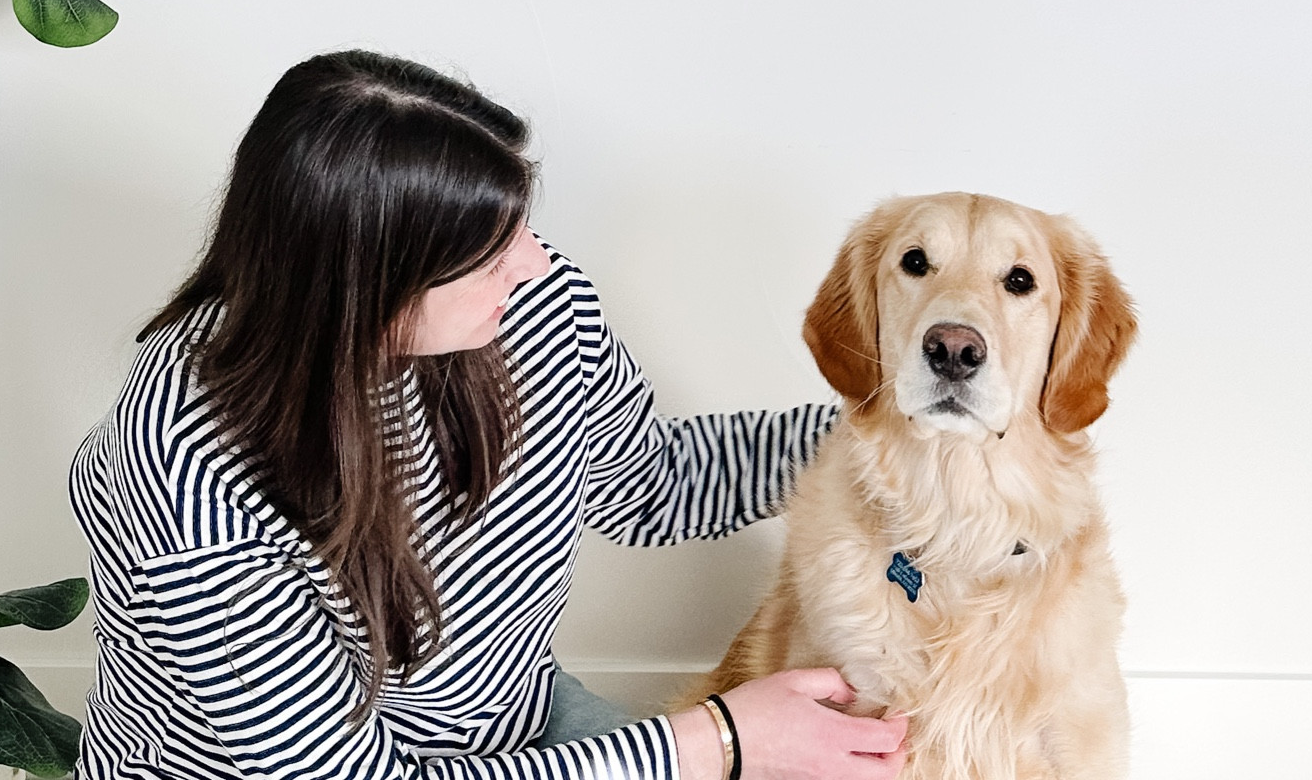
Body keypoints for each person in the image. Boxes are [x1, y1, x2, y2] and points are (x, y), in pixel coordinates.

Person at [70, 51, 907, 779]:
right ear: (365, 286)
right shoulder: (183, 464)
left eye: (517, 228)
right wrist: (716, 740)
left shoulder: (531, 307)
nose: (533, 262)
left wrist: (893, 418)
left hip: (509, 737)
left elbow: (651, 483)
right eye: (485, 254)